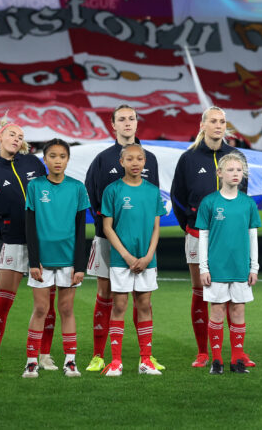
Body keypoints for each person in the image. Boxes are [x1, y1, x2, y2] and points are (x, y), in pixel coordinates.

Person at [170, 106, 249, 367]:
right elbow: (177, 197)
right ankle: (203, 352)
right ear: (203, 125)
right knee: (202, 292)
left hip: (232, 238)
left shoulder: (235, 156)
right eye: (213, 121)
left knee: (234, 294)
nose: (218, 125)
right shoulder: (189, 158)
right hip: (197, 234)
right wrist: (190, 224)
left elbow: (243, 196)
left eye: (222, 121)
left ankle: (237, 352)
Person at [84, 105, 159, 372]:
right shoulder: (103, 159)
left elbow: (153, 205)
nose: (127, 123)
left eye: (131, 119)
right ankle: (98, 355)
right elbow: (92, 198)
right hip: (110, 241)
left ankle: (145, 356)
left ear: (137, 123)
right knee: (107, 296)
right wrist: (108, 232)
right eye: (122, 119)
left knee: (142, 298)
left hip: (140, 242)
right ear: (113, 125)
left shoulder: (149, 158)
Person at [0, 119, 50, 374]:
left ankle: (44, 356)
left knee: (45, 305)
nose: (17, 139)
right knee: (2, 304)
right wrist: (5, 233)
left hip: (43, 244)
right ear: (0, 136)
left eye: (20, 136)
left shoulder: (32, 163)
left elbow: (47, 196)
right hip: (12, 243)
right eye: (12, 134)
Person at [21, 140, 89, 378]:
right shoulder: (35, 187)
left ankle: (70, 361)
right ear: (45, 160)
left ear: (68, 160)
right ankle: (31, 361)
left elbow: (81, 229)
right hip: (42, 261)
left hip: (69, 260)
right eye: (52, 156)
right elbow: (29, 226)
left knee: (67, 309)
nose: (58, 160)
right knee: (41, 308)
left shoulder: (78, 188)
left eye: (62, 156)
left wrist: (80, 265)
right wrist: (33, 261)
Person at [101, 143, 166, 376]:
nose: (135, 163)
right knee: (119, 305)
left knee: (144, 305)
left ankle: (145, 361)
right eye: (130, 159)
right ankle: (116, 361)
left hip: (147, 259)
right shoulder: (112, 190)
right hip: (122, 259)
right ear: (122, 162)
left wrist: (149, 256)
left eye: (139, 159)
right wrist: (127, 256)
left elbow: (156, 227)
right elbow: (107, 227)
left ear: (145, 161)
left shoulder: (152, 191)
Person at [196, 152, 261, 375]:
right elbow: (203, 237)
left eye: (239, 170)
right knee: (216, 312)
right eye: (231, 170)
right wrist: (203, 267)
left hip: (241, 267)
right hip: (216, 268)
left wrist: (254, 267)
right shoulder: (210, 202)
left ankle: (236, 360)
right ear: (220, 173)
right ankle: (216, 361)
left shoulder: (248, 203)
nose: (235, 174)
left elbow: (253, 237)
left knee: (238, 311)